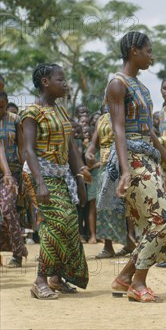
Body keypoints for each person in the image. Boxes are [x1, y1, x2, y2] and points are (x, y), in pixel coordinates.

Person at [104, 31, 166, 303]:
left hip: (148, 158)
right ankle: (137, 282)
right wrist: (125, 170)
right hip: (133, 159)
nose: (152, 56)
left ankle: (126, 276)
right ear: (134, 50)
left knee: (156, 221)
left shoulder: (143, 87)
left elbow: (149, 131)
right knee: (161, 219)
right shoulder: (117, 83)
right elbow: (118, 129)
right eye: (148, 51)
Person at [22, 63, 92, 299]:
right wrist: (40, 182)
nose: (65, 84)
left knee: (70, 222)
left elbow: (71, 149)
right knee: (57, 221)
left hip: (61, 176)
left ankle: (56, 278)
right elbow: (29, 151)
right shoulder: (31, 112)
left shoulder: (62, 112)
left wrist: (80, 179)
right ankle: (40, 280)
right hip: (38, 174)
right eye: (60, 80)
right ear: (45, 82)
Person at [85, 110, 135, 259]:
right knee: (104, 206)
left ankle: (128, 241)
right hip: (104, 166)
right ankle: (112, 246)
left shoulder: (125, 115)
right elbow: (94, 143)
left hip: (122, 163)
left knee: (122, 205)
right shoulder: (101, 119)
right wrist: (89, 152)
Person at [0, 91, 27, 267]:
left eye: (1, 105)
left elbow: (23, 147)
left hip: (12, 173)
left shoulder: (15, 120)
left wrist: (26, 173)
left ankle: (18, 252)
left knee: (8, 208)